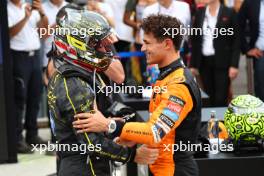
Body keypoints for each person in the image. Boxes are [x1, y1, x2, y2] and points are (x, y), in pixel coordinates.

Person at [73, 14, 202, 176]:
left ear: (167, 43)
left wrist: (109, 125)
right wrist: (133, 136)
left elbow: (155, 132)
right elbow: (163, 129)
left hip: (176, 170)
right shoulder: (168, 76)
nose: (142, 48)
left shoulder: (178, 85)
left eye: (147, 43)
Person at [47, 5, 159, 176]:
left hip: (91, 164)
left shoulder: (82, 72)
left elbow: (94, 129)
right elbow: (91, 143)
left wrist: (111, 126)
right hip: (84, 168)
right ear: (80, 44)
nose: (107, 51)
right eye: (100, 45)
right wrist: (133, 155)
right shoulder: (74, 82)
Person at [8, 0, 48, 153]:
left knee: (35, 97)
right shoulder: (7, 9)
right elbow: (9, 33)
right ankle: (17, 139)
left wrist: (42, 13)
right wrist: (25, 18)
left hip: (34, 56)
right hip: (18, 57)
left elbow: (43, 31)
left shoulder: (28, 6)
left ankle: (32, 134)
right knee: (19, 98)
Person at [190, 0, 240, 106]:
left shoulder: (229, 12)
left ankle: (221, 122)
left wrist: (234, 65)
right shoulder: (200, 13)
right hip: (204, 61)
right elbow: (195, 40)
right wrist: (193, 65)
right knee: (208, 96)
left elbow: (236, 41)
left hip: (223, 61)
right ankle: (211, 122)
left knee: (221, 98)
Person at [238, 0, 264, 102]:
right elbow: (238, 24)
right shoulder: (251, 2)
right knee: (261, 89)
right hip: (261, 53)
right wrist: (247, 48)